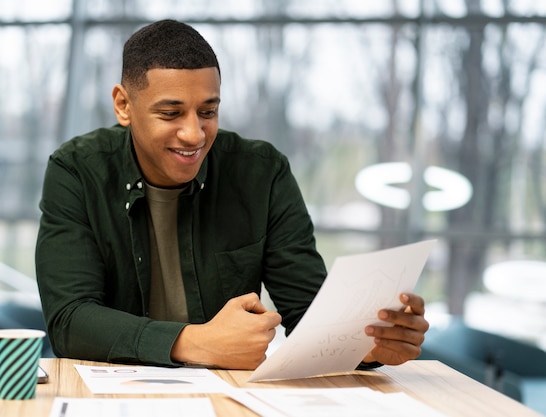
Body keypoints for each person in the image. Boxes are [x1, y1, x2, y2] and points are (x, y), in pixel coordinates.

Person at [35, 19, 429, 370]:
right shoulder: (77, 171)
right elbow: (70, 321)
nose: (194, 134)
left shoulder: (262, 173)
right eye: (171, 114)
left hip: (226, 400)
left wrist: (371, 346)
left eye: (208, 112)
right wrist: (195, 342)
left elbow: (310, 316)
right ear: (124, 104)